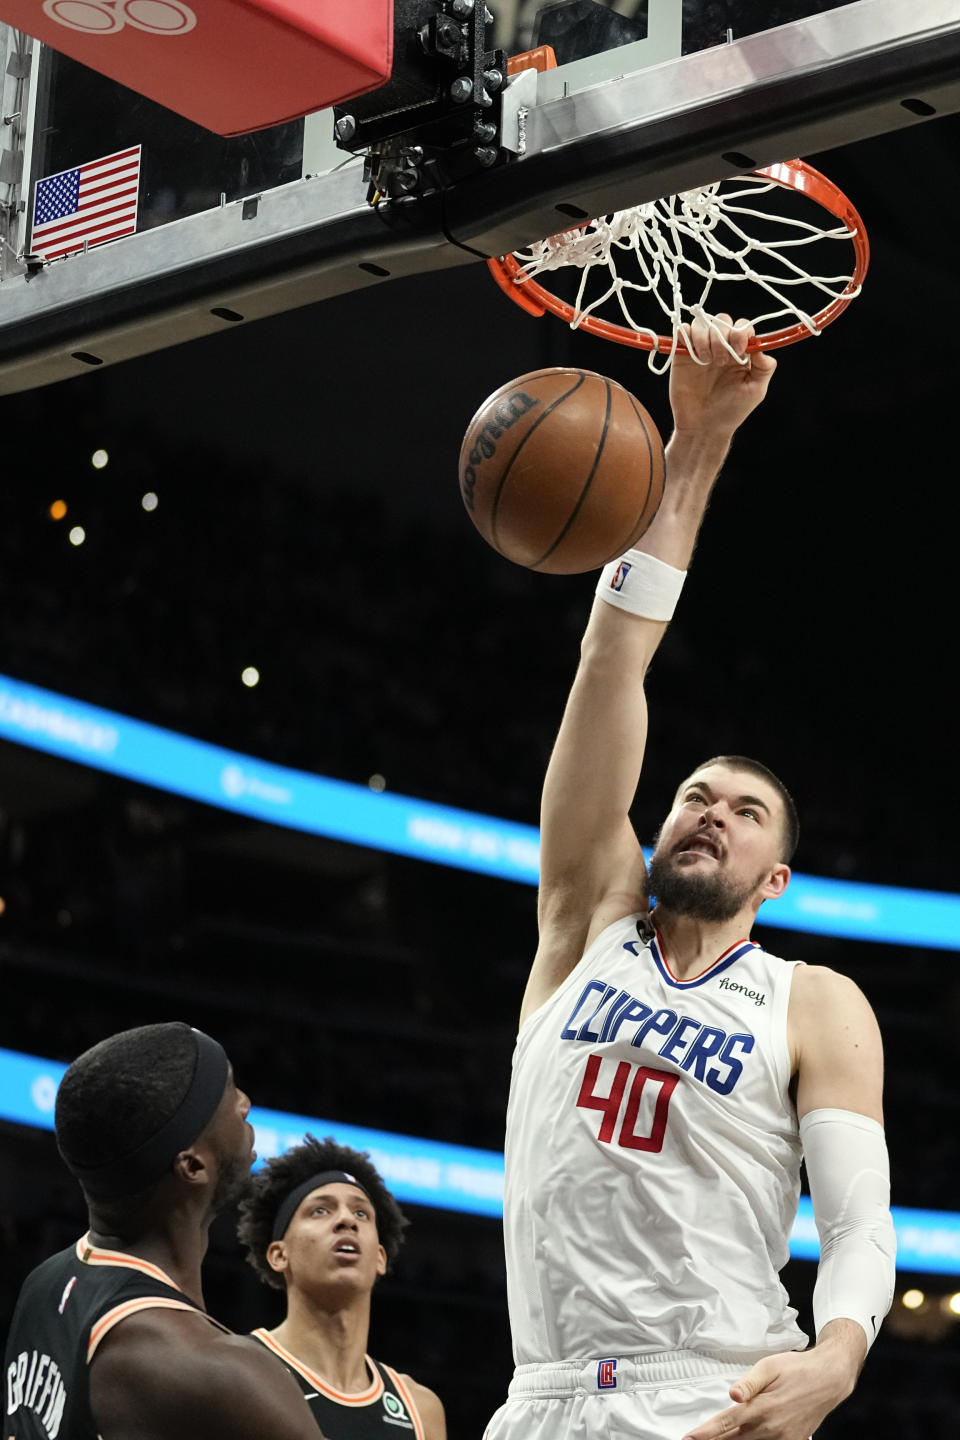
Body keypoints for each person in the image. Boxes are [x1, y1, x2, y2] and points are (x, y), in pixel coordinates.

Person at [483, 315, 896, 1440]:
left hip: (714, 1390)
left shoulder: (812, 1000)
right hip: (543, 1399)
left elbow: (857, 1222)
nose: (711, 810)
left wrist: (841, 1355)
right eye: (694, 796)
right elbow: (612, 657)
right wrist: (692, 444)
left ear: (777, 880)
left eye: (746, 811)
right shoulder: (584, 920)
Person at [3, 1021, 324, 1440]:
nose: (245, 1103)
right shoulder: (220, 1374)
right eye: (228, 1092)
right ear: (193, 1166)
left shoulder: (43, 1284)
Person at [237, 1134, 446, 1440]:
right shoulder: (238, 1373)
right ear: (279, 1255)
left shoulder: (420, 1408)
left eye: (361, 1213)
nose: (347, 1220)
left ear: (379, 1258)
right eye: (320, 1210)